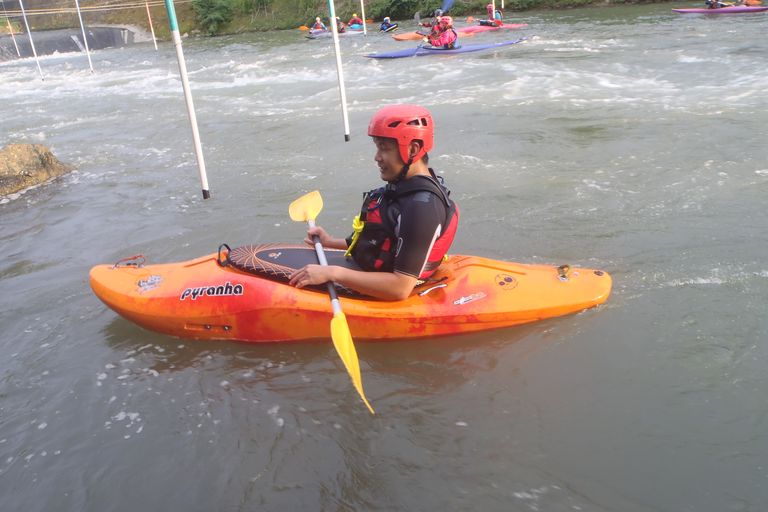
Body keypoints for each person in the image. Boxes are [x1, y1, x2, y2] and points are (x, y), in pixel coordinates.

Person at [289, 105, 460, 301]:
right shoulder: (402, 189)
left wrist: (333, 273)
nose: (377, 157)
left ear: (412, 149)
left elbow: (400, 288)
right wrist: (330, 242)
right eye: (377, 147)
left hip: (391, 289)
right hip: (373, 272)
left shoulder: (422, 207)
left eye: (384, 148)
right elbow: (380, 242)